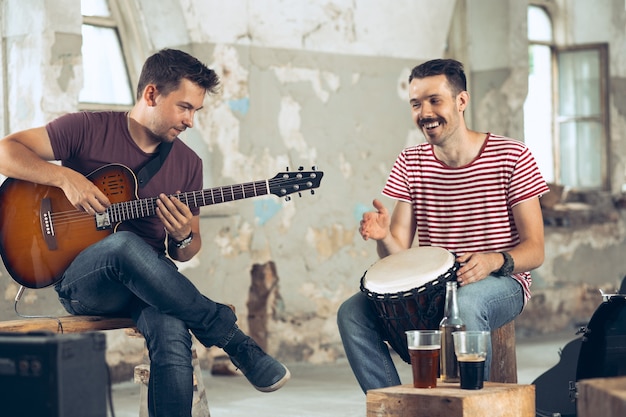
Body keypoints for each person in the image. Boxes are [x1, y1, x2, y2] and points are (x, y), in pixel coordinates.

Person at [0, 48, 290, 416]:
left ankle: (224, 341)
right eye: (184, 107)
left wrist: (184, 235)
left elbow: (186, 250)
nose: (191, 122)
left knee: (171, 331)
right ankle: (233, 340)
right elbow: (5, 150)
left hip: (152, 285)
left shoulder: (188, 163)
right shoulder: (87, 128)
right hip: (85, 283)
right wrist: (64, 177)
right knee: (123, 244)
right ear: (151, 94)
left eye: (196, 111)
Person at [337, 58, 548, 393]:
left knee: (466, 304)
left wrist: (493, 260)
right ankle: (396, 410)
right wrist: (384, 237)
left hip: (500, 281)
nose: (425, 112)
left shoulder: (513, 156)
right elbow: (398, 256)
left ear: (461, 101)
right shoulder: (411, 161)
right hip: (433, 287)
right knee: (352, 312)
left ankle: (470, 406)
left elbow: (535, 250)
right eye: (416, 104)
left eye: (435, 100)